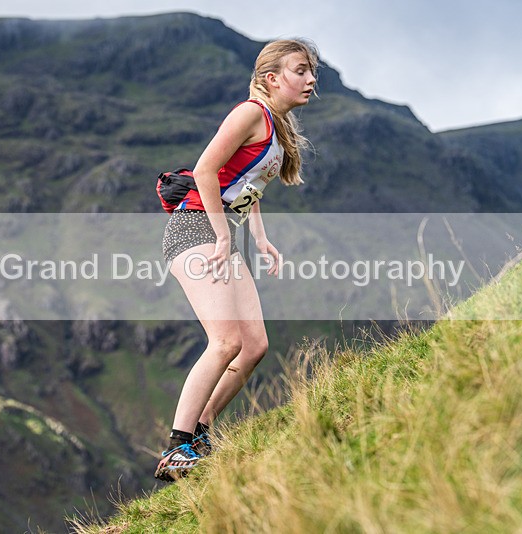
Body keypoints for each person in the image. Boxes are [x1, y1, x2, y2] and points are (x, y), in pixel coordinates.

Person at [154, 38, 319, 481]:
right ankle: (176, 447)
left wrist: (261, 240)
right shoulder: (249, 113)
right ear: (271, 78)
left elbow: (245, 186)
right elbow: (206, 169)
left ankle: (201, 433)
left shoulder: (272, 125)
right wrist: (225, 234)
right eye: (300, 70)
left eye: (310, 71)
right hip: (195, 229)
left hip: (220, 231)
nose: (310, 79)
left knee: (253, 347)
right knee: (225, 342)